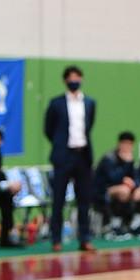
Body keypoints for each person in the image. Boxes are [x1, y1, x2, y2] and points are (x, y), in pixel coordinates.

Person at [44, 65, 96, 252]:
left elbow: (89, 125)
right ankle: (56, 239)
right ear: (65, 80)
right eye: (71, 77)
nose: (74, 80)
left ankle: (85, 238)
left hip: (83, 156)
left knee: (84, 200)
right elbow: (48, 129)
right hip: (63, 156)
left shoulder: (89, 102)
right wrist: (60, 145)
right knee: (58, 199)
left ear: (81, 79)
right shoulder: (56, 103)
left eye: (77, 77)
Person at [94, 131, 140, 237]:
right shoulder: (109, 158)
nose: (127, 147)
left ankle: (136, 224)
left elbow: (136, 176)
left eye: (130, 144)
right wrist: (126, 165)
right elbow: (112, 178)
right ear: (119, 144)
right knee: (123, 191)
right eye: (125, 143)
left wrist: (136, 186)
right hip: (104, 190)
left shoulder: (130, 158)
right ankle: (115, 225)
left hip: (126, 188)